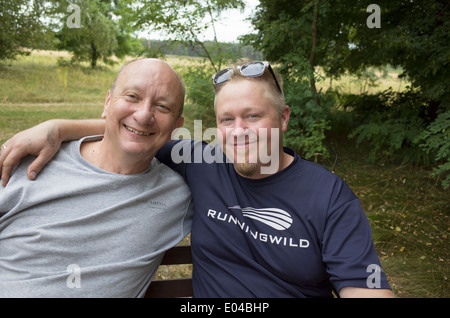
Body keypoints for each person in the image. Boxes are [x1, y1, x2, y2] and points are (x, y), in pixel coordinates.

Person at [0, 59, 395, 298]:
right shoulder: (202, 159)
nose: (239, 131)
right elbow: (139, 131)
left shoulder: (328, 195)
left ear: (284, 118)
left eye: (254, 116)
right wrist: (58, 126)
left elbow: (365, 286)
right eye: (227, 120)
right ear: (216, 127)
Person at [0, 58, 193, 297]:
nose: (144, 115)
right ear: (108, 102)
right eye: (132, 96)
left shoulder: (178, 195)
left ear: (177, 126)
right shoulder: (26, 163)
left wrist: (61, 127)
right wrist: (58, 128)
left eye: (163, 107)